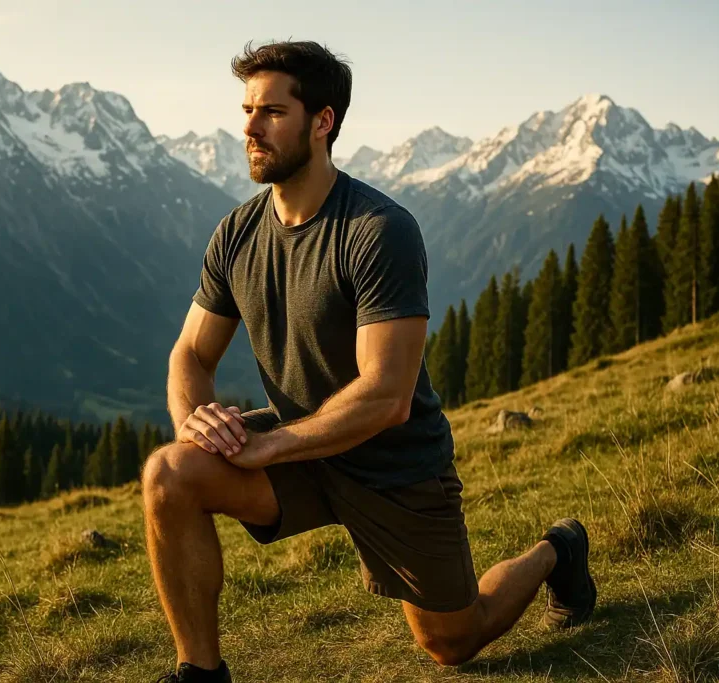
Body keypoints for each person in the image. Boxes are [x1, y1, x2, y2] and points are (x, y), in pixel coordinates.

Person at [144, 40, 596, 683]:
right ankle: (200, 674)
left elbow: (387, 395)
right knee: (170, 472)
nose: (249, 127)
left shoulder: (377, 229)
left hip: (393, 465)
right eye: (247, 110)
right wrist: (197, 420)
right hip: (302, 451)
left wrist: (271, 446)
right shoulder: (237, 234)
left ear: (322, 121)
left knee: (453, 641)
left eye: (272, 111)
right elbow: (191, 351)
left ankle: (558, 551)